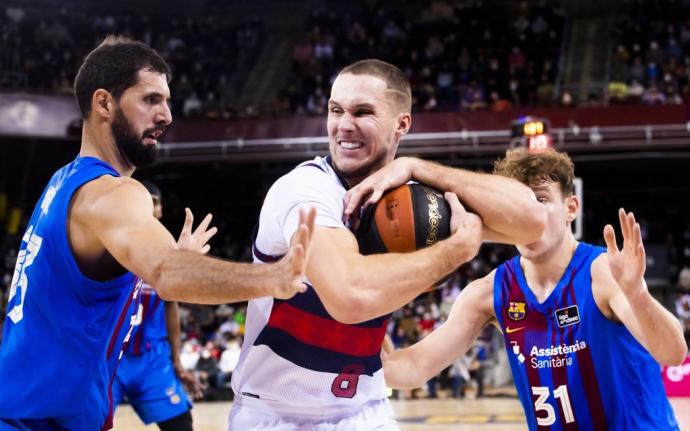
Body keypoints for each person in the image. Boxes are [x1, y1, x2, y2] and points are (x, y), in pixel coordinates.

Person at [0, 36, 315, 431]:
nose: (166, 115)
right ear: (104, 103)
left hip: (26, 407)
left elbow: (116, 273)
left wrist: (169, 256)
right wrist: (274, 277)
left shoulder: (63, 182)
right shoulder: (113, 192)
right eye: (151, 100)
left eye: (166, 101)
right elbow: (169, 277)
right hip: (39, 420)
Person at [228, 59, 547, 430]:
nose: (344, 125)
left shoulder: (408, 198)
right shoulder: (305, 191)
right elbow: (351, 295)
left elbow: (532, 221)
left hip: (365, 411)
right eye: (336, 110)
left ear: (402, 124)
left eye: (363, 112)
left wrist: (418, 168)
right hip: (279, 416)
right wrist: (456, 249)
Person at [377, 148, 687, 430]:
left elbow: (673, 353)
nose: (530, 216)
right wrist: (365, 300)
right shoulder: (487, 293)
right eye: (518, 205)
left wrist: (637, 293)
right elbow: (408, 371)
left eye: (540, 199)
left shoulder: (602, 272)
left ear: (571, 208)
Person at [111, 181, 203, 431]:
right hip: (110, 359)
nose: (148, 205)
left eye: (154, 200)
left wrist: (177, 361)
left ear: (160, 210)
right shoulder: (109, 244)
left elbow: (171, 307)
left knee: (181, 425)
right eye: (142, 199)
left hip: (153, 359)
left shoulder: (168, 253)